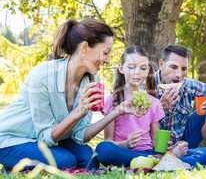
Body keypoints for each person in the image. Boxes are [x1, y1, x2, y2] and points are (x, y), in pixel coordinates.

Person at [0, 19, 132, 170]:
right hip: (13, 138)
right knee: (65, 161)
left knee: (88, 158)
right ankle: (12, 164)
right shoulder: (43, 76)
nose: (107, 60)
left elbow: (80, 135)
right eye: (105, 53)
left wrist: (117, 111)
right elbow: (45, 137)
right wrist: (78, 112)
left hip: (48, 139)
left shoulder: (92, 79)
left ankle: (30, 162)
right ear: (84, 48)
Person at [96, 46, 165, 167]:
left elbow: (156, 142)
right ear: (121, 68)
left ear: (148, 70)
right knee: (103, 148)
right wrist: (126, 144)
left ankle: (148, 161)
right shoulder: (112, 100)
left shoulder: (154, 103)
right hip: (122, 151)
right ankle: (148, 162)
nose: (137, 72)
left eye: (142, 68)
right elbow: (108, 141)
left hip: (146, 151)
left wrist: (163, 148)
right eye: (131, 67)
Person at [155, 45, 206, 148]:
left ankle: (188, 154)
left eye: (184, 69)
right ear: (161, 64)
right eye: (173, 67)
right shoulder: (145, 87)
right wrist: (160, 109)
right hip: (156, 144)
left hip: (184, 142)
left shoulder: (187, 84)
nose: (179, 75)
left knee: (205, 107)